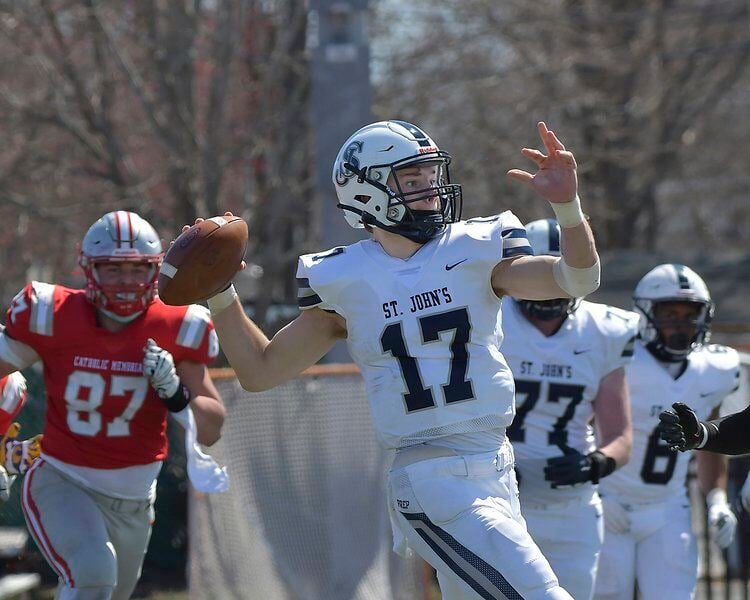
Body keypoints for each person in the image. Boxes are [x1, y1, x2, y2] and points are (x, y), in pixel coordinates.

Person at [203, 120, 600, 598]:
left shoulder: (475, 248)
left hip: (494, 464)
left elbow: (577, 280)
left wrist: (567, 207)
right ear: (366, 192)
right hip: (432, 478)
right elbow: (259, 371)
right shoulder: (345, 278)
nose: (430, 190)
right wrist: (220, 294)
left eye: (429, 176)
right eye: (411, 180)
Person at [0, 211, 225, 600]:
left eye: (136, 270)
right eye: (113, 269)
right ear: (90, 269)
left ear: (154, 270)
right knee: (93, 572)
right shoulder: (52, 314)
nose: (126, 281)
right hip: (62, 479)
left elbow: (212, 427)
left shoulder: (177, 325)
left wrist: (174, 391)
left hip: (136, 498)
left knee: (104, 590)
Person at [499, 218, 636, 600]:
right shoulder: (489, 321)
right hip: (499, 497)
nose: (548, 291)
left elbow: (621, 439)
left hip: (570, 507)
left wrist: (594, 464)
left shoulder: (604, 330)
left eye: (558, 276)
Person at [594, 264, 739, 600]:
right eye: (669, 313)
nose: (680, 324)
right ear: (645, 314)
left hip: (667, 509)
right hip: (608, 503)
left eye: (690, 315)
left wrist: (716, 500)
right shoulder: (619, 358)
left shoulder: (716, 370)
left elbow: (710, 442)